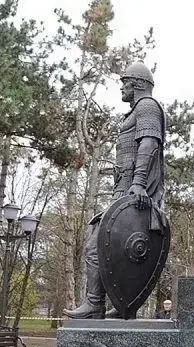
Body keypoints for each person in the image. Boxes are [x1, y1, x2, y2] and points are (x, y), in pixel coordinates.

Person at [64, 62, 167, 319]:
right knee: (105, 248)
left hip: (133, 194)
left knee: (94, 247)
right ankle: (113, 305)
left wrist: (138, 183)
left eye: (125, 82)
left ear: (138, 84)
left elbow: (149, 144)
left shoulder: (147, 106)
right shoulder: (136, 111)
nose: (122, 88)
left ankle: (95, 303)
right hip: (124, 193)